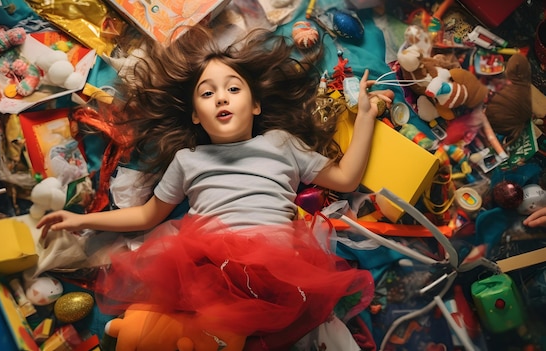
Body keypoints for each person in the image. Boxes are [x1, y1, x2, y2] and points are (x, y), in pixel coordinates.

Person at [37, 25, 393, 350]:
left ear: (255, 105)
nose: (221, 98)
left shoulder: (281, 144)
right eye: (207, 94)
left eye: (233, 89)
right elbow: (147, 215)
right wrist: (82, 220)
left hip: (276, 268)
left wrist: (364, 117)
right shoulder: (189, 159)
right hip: (210, 266)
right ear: (195, 115)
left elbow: (345, 179)